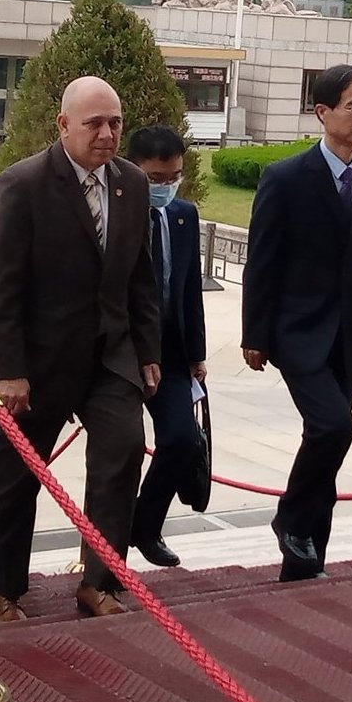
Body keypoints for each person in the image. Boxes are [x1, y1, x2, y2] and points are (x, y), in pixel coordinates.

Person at [0, 77, 161, 620]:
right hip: (37, 362)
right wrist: (8, 369)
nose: (107, 135)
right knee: (15, 477)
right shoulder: (24, 184)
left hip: (110, 357)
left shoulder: (132, 183)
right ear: (63, 125)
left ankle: (98, 581)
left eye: (115, 123)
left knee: (123, 452)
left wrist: (148, 350)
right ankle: (3, 590)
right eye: (94, 124)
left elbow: (142, 278)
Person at [241, 68, 352, 580]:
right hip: (297, 331)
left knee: (326, 442)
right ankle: (290, 517)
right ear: (323, 112)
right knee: (335, 426)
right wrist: (255, 334)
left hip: (349, 334)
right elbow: (262, 260)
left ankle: (306, 562)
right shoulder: (287, 178)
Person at [128, 125, 211, 568]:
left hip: (173, 351)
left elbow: (189, 288)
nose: (165, 186)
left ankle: (146, 525)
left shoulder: (183, 215)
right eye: (156, 178)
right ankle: (107, 544)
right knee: (121, 450)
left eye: (173, 176)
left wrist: (197, 354)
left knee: (180, 439)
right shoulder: (117, 213)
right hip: (123, 353)